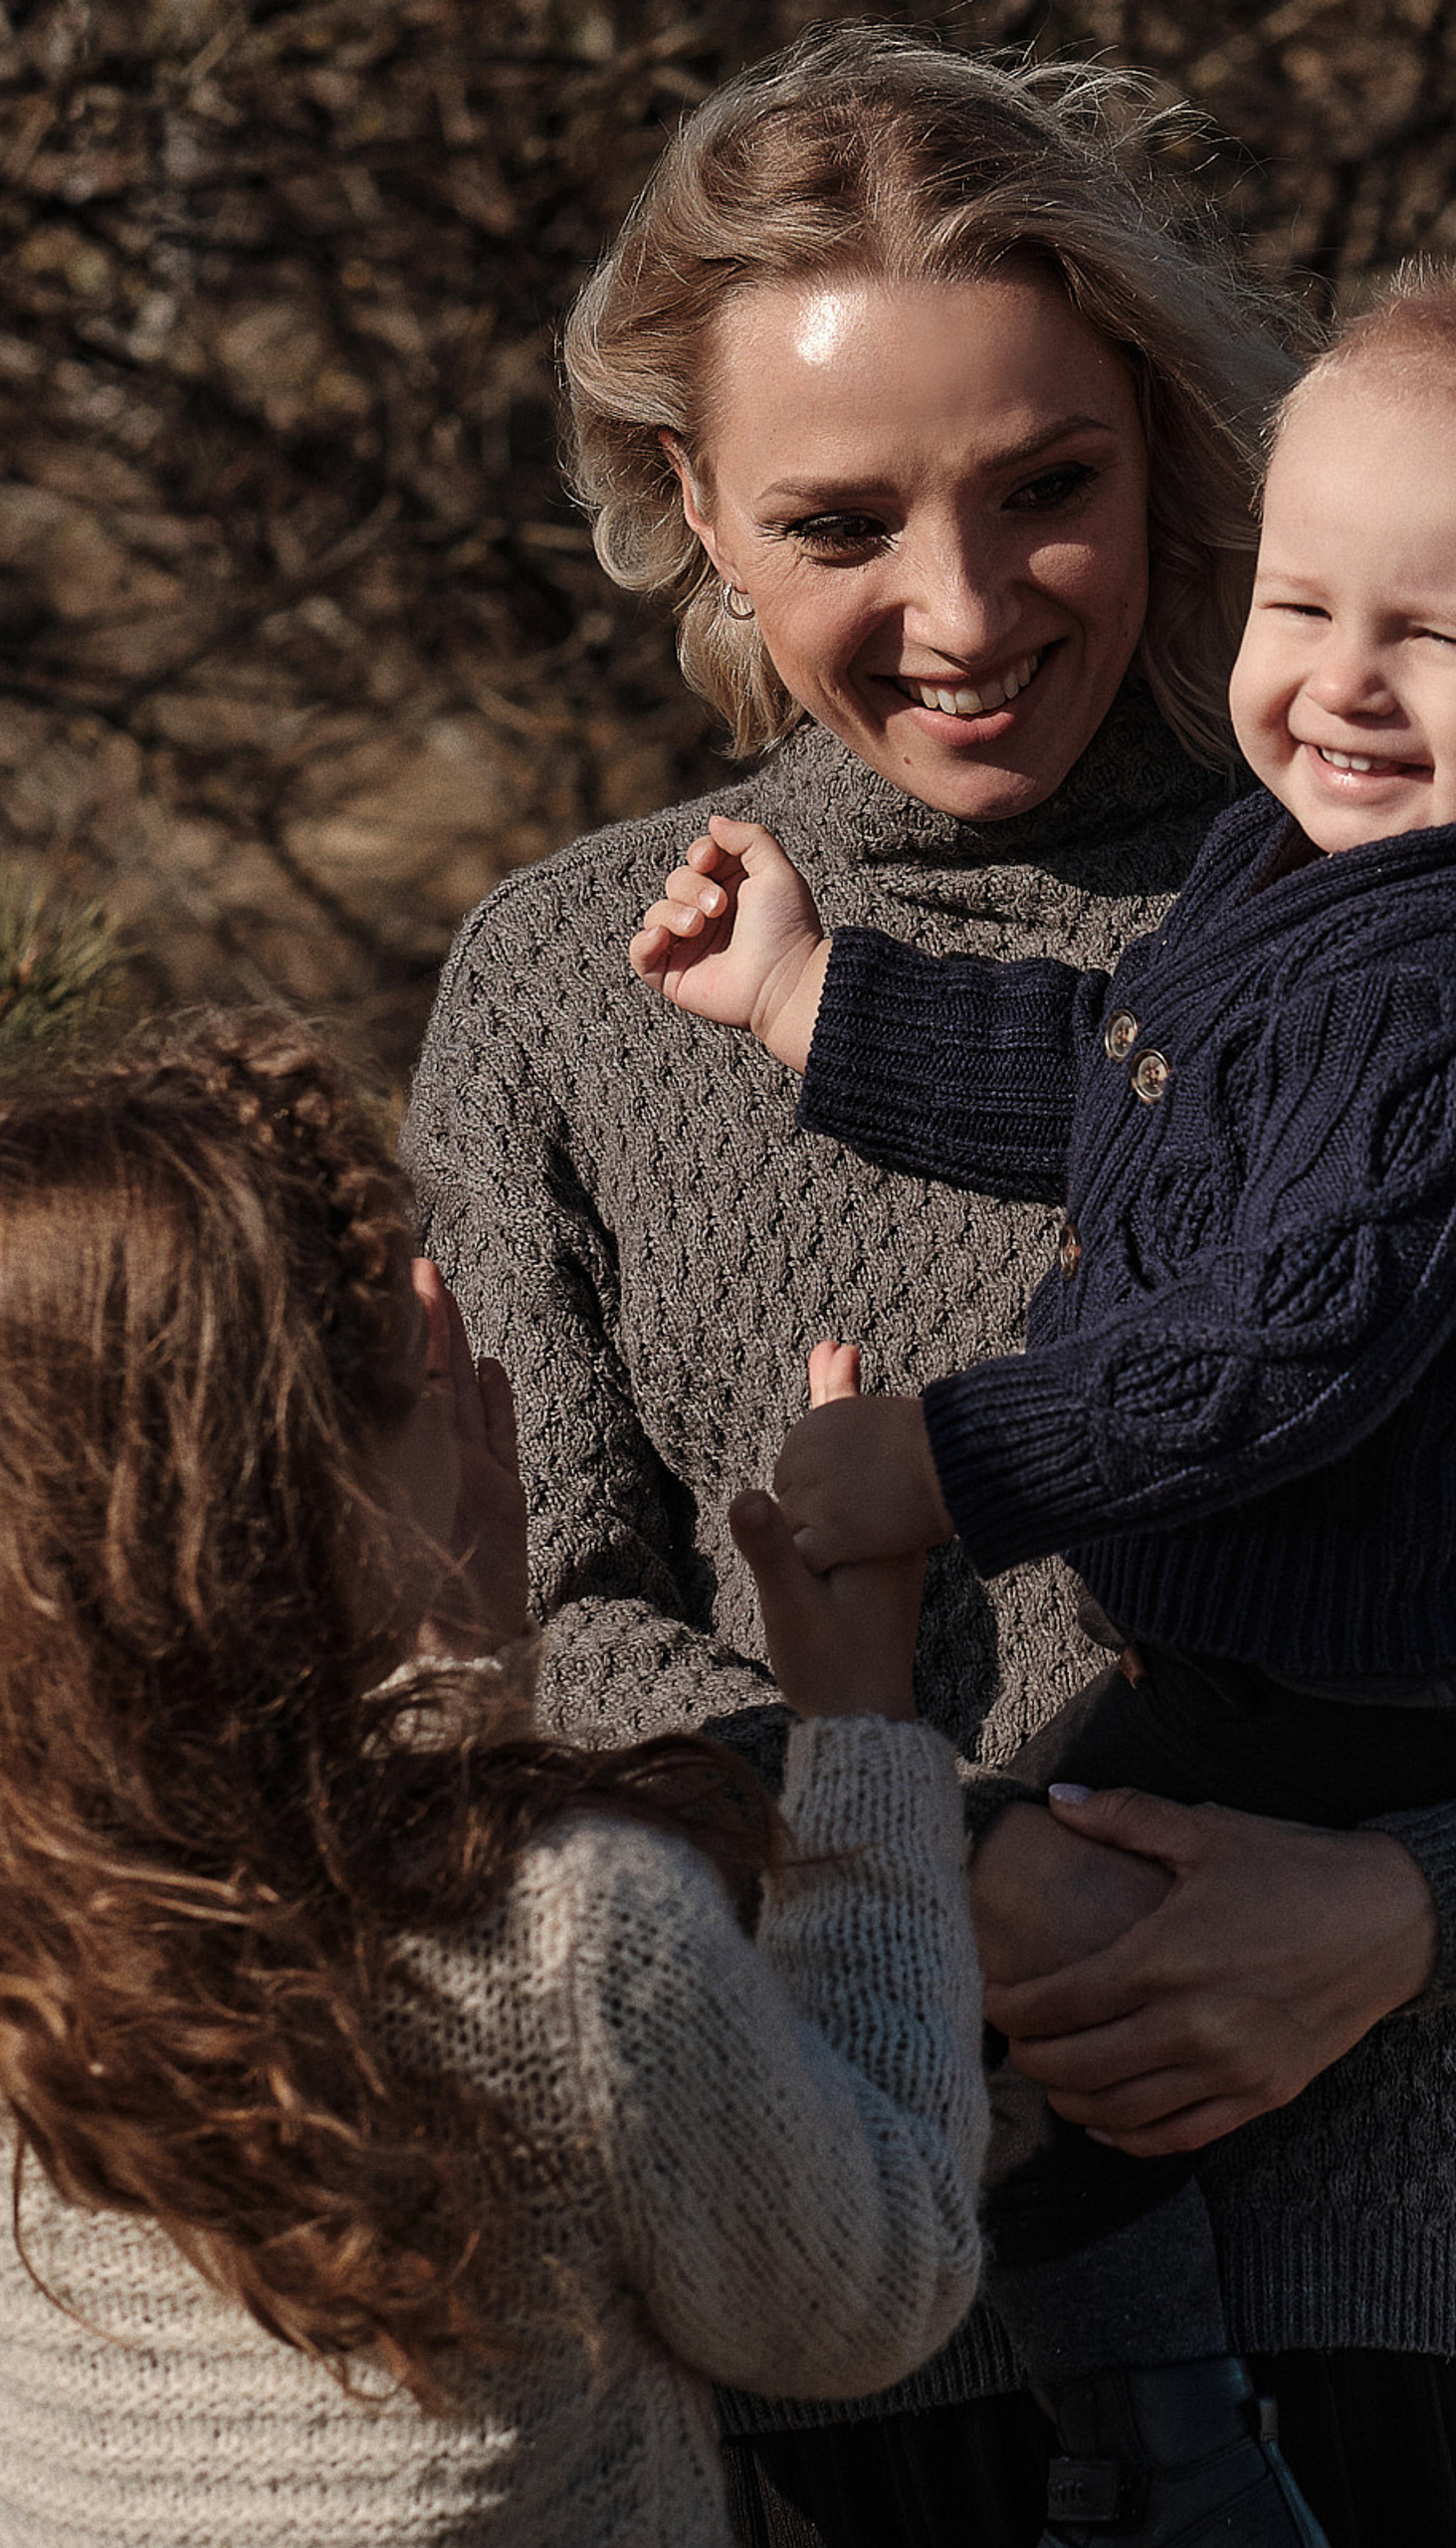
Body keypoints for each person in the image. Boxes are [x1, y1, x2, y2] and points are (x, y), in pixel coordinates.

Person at [404, 27, 1456, 2548]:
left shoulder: (1413, 894)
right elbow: (523, 1626)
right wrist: (922, 1856)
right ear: (691, 510)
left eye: (1047, 486)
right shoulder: (560, 980)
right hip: (814, 2321)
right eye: (838, 520)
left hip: (1388, 2316)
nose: (963, 610)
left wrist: (1409, 1912)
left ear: (1174, 453)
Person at [0, 1013, 986, 2548]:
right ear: (303, 1492)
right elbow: (862, 2292)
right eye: (411, 1386)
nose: (466, 1402)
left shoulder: (41, 1929)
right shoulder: (563, 1934)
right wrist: (863, 1738)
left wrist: (452, 1679)